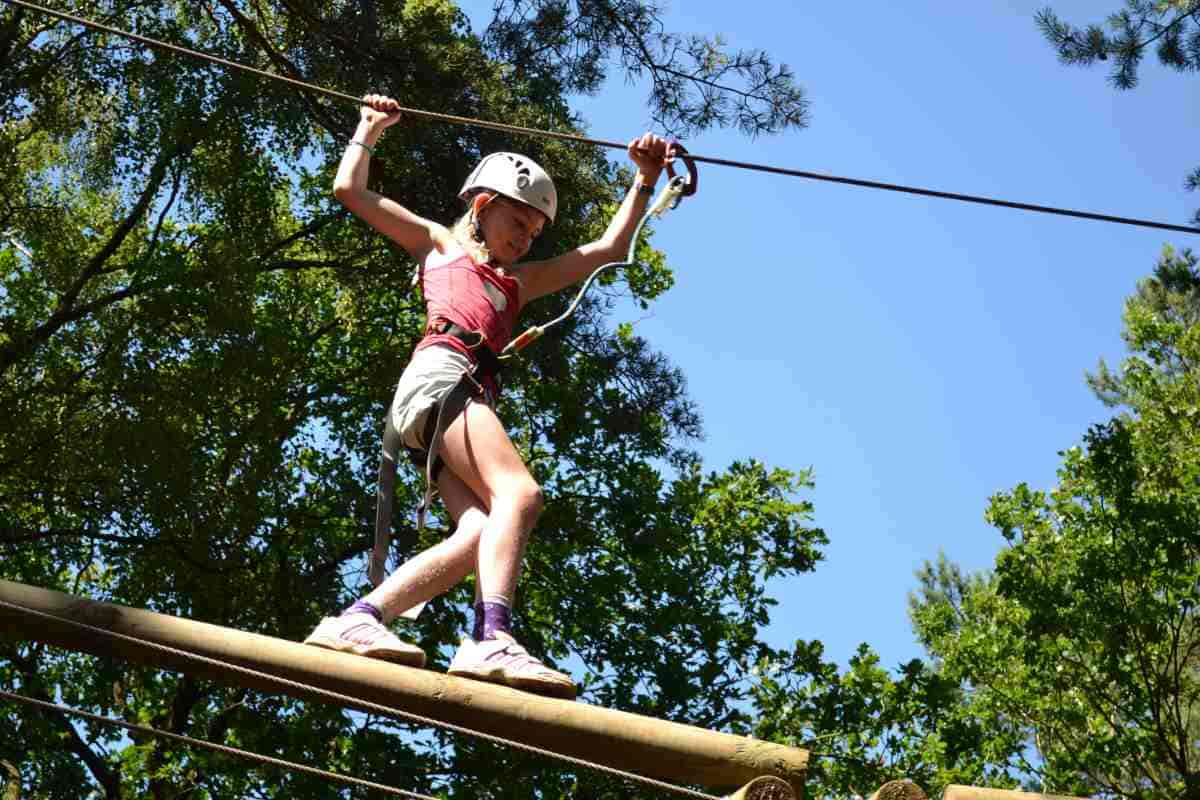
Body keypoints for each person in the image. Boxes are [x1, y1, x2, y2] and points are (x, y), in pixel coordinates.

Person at [303, 94, 672, 700]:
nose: (526, 238)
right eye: (517, 223)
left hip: (449, 400)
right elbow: (351, 190)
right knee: (521, 494)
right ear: (482, 207)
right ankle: (490, 636)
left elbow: (606, 250)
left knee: (477, 532)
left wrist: (644, 180)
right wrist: (369, 127)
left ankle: (357, 619)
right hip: (442, 378)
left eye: (533, 231)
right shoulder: (439, 246)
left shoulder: (519, 283)